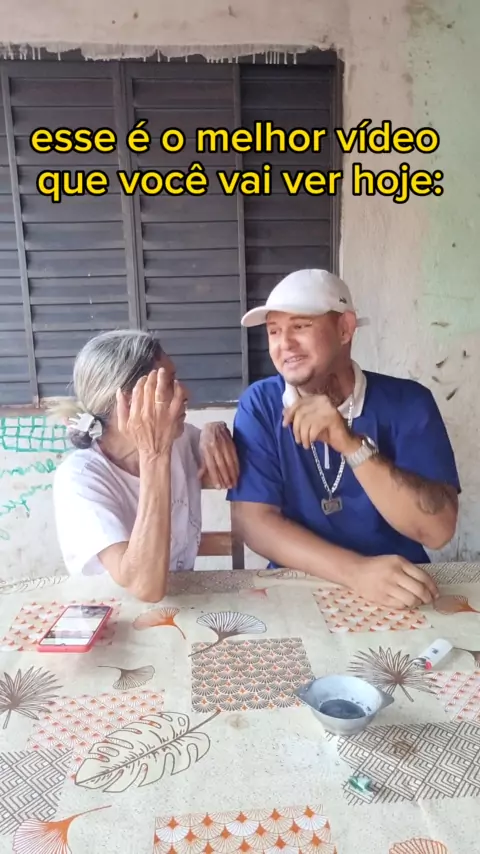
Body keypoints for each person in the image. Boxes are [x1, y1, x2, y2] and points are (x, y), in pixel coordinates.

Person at [227, 269, 460, 609]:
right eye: (274, 330)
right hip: (298, 585)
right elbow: (253, 523)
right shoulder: (261, 404)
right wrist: (356, 572)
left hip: (399, 586)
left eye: (300, 326)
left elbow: (437, 530)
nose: (284, 343)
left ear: (345, 329)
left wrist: (350, 444)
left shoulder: (409, 402)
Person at [52, 330, 239, 602]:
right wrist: (154, 453)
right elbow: (144, 586)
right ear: (132, 401)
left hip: (183, 606)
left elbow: (212, 444)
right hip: (117, 615)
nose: (185, 394)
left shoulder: (180, 440)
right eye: (170, 383)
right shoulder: (79, 479)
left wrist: (215, 428)